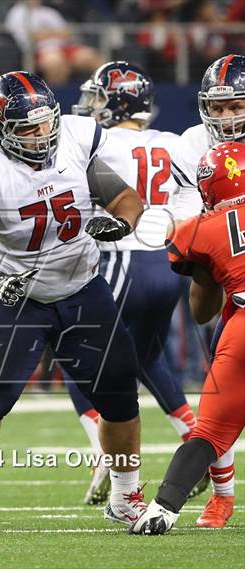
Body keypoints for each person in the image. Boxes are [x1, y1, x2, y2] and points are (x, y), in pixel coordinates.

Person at [0, 70, 145, 533]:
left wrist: (121, 224)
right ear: (0, 128)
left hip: (83, 288)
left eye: (45, 122)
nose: (40, 134)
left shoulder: (74, 141)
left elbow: (128, 199)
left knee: (119, 397)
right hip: (19, 295)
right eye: (26, 128)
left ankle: (126, 494)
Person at [70, 61, 200, 507]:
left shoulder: (100, 142)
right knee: (145, 357)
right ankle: (193, 435)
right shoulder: (171, 142)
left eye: (100, 97)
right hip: (166, 265)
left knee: (76, 354)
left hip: (120, 262)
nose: (93, 106)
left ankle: (105, 454)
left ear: (118, 100)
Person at [130, 140, 245, 535]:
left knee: (209, 432)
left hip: (243, 327)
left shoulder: (198, 230)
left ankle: (162, 509)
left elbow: (200, 311)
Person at [169, 53, 245, 528]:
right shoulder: (192, 148)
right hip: (228, 273)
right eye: (216, 108)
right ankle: (222, 494)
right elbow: (187, 221)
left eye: (235, 105)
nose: (226, 117)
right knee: (219, 393)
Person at [4, 0, 102, 86]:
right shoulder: (17, 13)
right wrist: (53, 34)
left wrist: (43, 34)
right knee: (56, 62)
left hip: (64, 47)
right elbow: (26, 39)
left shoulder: (49, 11)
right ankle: (59, 99)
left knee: (91, 57)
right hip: (39, 51)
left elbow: (67, 33)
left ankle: (98, 95)